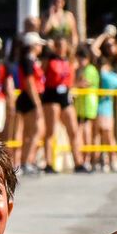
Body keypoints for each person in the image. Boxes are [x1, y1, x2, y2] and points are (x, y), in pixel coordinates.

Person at [40, 36, 84, 172]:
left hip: (65, 95)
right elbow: (41, 73)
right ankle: (48, 163)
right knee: (51, 131)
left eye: (63, 45)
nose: (61, 48)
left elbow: (70, 79)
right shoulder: (49, 59)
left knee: (73, 130)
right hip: (51, 95)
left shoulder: (69, 60)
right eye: (58, 45)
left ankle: (78, 162)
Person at [11, 33, 45, 173]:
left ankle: (26, 161)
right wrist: (37, 104)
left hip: (30, 98)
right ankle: (26, 162)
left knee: (31, 132)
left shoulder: (31, 60)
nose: (40, 47)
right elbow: (29, 83)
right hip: (29, 99)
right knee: (35, 130)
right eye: (38, 44)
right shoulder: (28, 60)